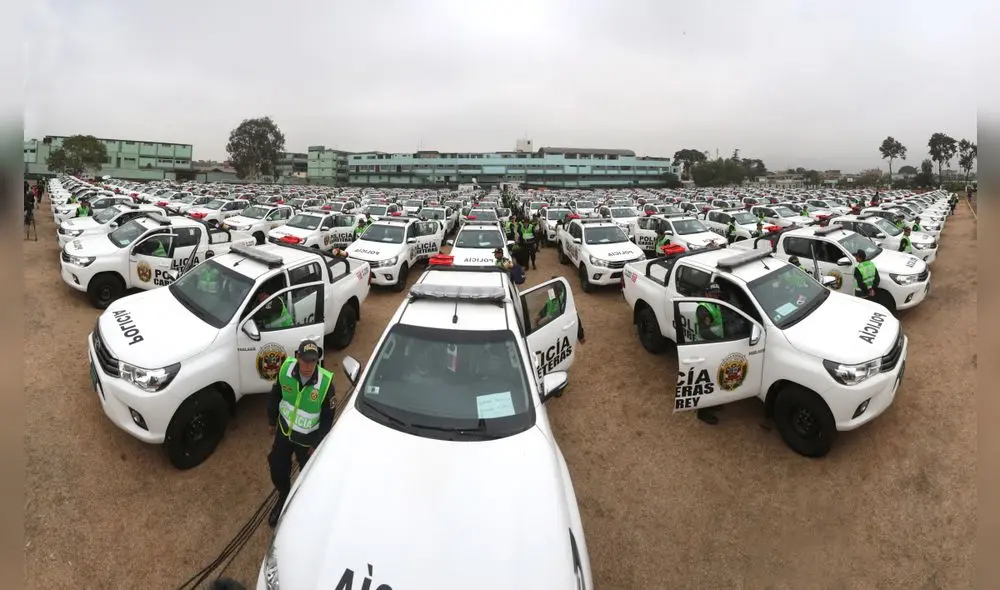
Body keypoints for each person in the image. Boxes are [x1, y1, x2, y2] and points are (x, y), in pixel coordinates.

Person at [266, 340, 335, 527]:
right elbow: (275, 395)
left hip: (307, 441)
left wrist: (317, 444)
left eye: (313, 361)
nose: (309, 366)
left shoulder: (325, 383)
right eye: (305, 360)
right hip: (284, 431)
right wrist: (272, 420)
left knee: (309, 477)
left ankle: (302, 506)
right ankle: (283, 497)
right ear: (297, 357)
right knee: (277, 468)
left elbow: (328, 418)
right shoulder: (285, 370)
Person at [694, 283, 725, 425]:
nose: (716, 296)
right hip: (707, 347)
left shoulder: (715, 304)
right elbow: (704, 332)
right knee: (707, 381)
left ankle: (712, 403)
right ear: (706, 294)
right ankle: (703, 412)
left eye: (717, 294)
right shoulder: (703, 308)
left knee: (715, 377)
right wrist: (720, 340)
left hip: (715, 346)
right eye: (713, 294)